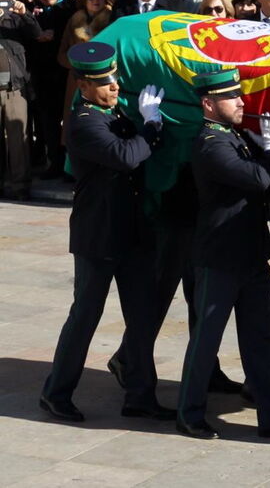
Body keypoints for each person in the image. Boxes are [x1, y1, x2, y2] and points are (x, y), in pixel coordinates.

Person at [176, 69, 270, 440]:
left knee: (259, 341)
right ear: (208, 104)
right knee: (206, 339)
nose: (241, 101)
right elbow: (258, 179)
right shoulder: (210, 143)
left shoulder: (233, 137)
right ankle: (189, 413)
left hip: (251, 255)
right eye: (231, 97)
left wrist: (265, 149)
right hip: (220, 258)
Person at [40, 42, 169, 421]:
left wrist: (149, 127)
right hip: (99, 234)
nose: (114, 88)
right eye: (105, 83)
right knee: (86, 315)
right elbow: (127, 156)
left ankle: (140, 395)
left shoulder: (113, 112)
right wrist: (149, 126)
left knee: (143, 316)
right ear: (83, 87)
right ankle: (56, 392)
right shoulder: (83, 121)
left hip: (132, 230)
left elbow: (144, 146)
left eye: (115, 80)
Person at [57, 0, 112, 148]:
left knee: (99, 127)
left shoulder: (112, 20)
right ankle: (72, 168)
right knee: (74, 125)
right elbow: (62, 53)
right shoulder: (74, 20)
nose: (96, 0)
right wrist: (76, 65)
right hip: (76, 81)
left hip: (102, 81)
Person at [29, 0, 73, 178]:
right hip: (43, 75)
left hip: (66, 74)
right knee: (49, 123)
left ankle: (70, 167)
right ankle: (55, 163)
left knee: (71, 122)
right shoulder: (35, 13)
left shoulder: (71, 8)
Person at [0, 0, 40, 199]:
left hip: (14, 87)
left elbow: (36, 33)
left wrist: (25, 13)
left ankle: (20, 186)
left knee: (18, 139)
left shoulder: (14, 19)